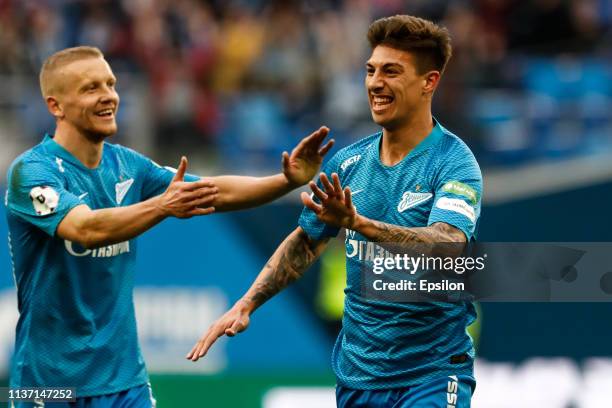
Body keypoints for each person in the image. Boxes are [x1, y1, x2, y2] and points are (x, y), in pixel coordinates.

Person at [5, 46, 333, 407]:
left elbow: (214, 192)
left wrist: (286, 181)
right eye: (90, 88)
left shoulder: (128, 165)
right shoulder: (32, 172)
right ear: (55, 106)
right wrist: (162, 205)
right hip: (47, 385)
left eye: (110, 84)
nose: (108, 96)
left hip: (123, 381)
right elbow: (85, 229)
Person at [188, 15, 482, 408]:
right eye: (371, 70)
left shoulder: (453, 163)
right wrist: (247, 303)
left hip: (431, 372)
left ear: (429, 81)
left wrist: (359, 224)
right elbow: (306, 241)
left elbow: (448, 244)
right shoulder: (348, 163)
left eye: (391, 72)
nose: (375, 83)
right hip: (359, 375)